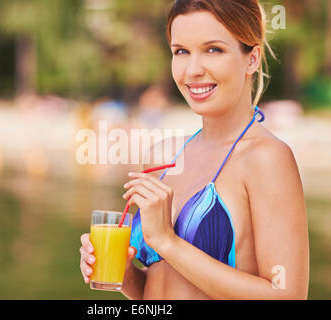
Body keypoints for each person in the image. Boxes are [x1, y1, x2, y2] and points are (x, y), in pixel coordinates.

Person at [80, 0, 309, 300]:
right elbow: (164, 287)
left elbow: (287, 296)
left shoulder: (266, 158)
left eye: (213, 49)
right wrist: (125, 275)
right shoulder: (164, 157)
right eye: (181, 51)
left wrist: (167, 241)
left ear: (252, 58)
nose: (193, 69)